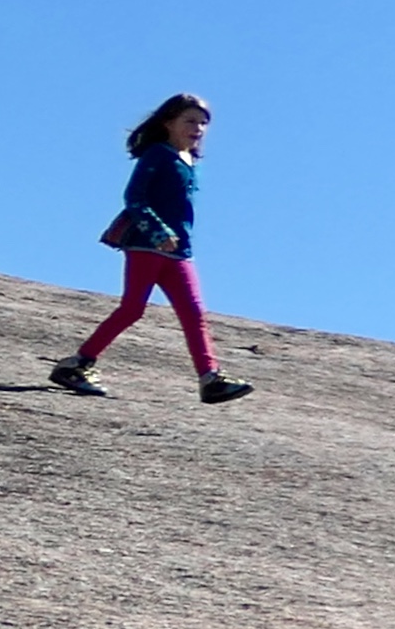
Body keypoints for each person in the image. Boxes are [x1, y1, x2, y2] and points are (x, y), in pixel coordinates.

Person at [51, 94, 255, 405]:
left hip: (179, 251)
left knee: (193, 313)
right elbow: (134, 199)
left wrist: (173, 238)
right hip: (146, 246)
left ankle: (210, 378)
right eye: (190, 121)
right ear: (168, 122)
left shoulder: (190, 161)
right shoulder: (157, 155)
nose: (198, 128)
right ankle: (78, 364)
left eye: (203, 123)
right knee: (132, 309)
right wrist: (158, 231)